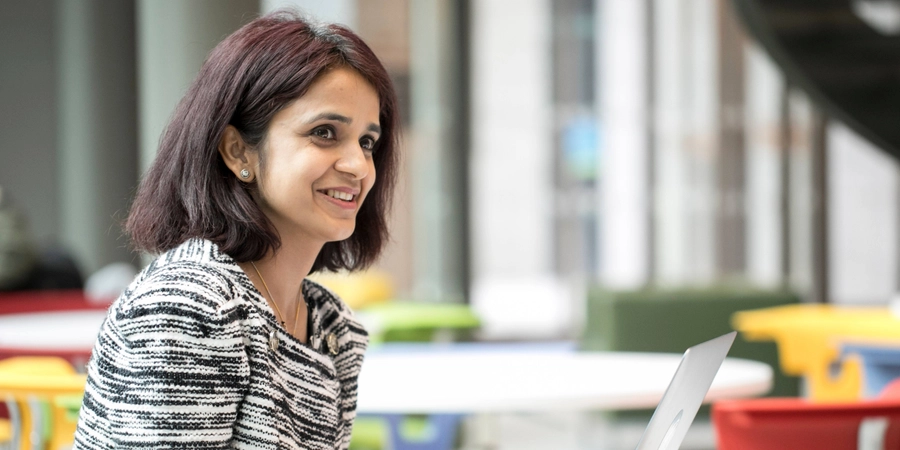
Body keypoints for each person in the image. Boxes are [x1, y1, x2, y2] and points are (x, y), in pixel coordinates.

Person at [74, 10, 399, 450]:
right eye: (324, 133)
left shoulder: (330, 324)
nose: (359, 166)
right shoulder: (191, 304)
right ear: (237, 150)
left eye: (368, 142)